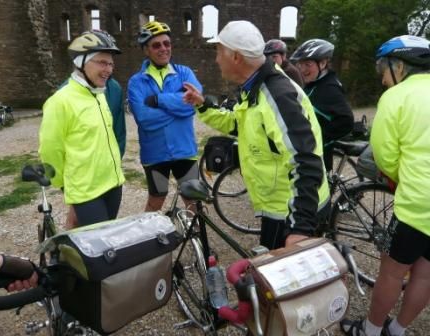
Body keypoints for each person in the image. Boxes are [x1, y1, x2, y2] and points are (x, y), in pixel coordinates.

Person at [183, 20, 330, 249]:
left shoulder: (276, 95)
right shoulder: (255, 86)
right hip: (281, 206)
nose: (215, 59)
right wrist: (203, 106)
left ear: (236, 57)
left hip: (290, 213)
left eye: (218, 51)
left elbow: (306, 159)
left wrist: (300, 227)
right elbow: (239, 124)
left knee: (276, 282)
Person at [340, 35, 430, 336]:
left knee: (391, 272)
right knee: (426, 275)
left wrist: (399, 176)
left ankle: (370, 330)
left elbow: (384, 156)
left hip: (417, 204)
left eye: (383, 70)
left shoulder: (397, 97)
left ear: (400, 65)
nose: (382, 80)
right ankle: (398, 330)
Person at [39, 30, 125, 226]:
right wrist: (64, 184)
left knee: (106, 238)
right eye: (102, 62)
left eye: (111, 63)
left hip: (113, 184)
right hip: (86, 192)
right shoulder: (60, 101)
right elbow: (50, 150)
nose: (109, 69)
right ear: (81, 62)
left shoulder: (99, 94)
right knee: (99, 250)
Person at [127, 21, 202, 212]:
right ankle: (148, 240)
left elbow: (194, 103)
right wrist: (178, 108)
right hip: (155, 154)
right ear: (146, 50)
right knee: (155, 200)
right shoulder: (136, 81)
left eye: (167, 43)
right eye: (156, 45)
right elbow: (144, 118)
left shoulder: (184, 72)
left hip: (185, 150)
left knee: (193, 202)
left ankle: (197, 241)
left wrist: (159, 100)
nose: (163, 49)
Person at [290, 39, 354, 171]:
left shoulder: (329, 88)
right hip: (309, 157)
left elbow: (346, 121)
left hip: (318, 162)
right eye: (300, 64)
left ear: (323, 63)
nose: (302, 69)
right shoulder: (315, 84)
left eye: (307, 64)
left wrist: (318, 138)